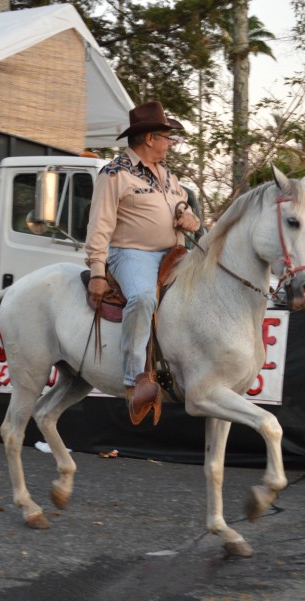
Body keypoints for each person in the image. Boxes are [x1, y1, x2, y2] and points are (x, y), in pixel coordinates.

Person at [84, 100, 201, 424]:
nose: (170, 143)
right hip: (131, 253)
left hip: (173, 254)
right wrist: (97, 270)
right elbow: (99, 226)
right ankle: (134, 378)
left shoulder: (168, 176)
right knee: (143, 297)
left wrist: (185, 214)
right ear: (149, 138)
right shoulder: (114, 174)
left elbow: (181, 205)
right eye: (166, 137)